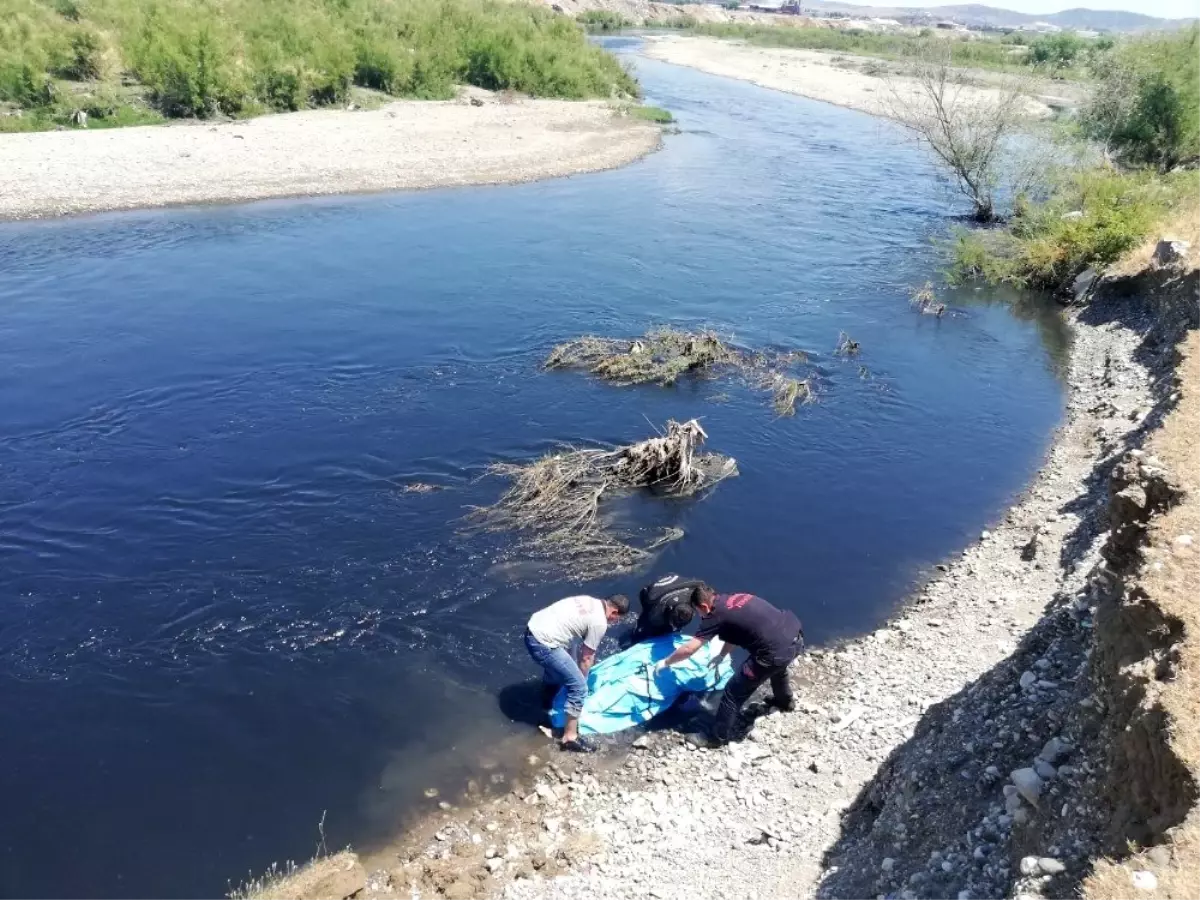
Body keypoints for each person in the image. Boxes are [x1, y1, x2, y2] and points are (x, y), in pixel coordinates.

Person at [653, 584, 802, 745]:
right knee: (779, 669)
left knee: (733, 693)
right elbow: (735, 632)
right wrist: (722, 655)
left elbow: (690, 648)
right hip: (794, 637)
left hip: (773, 653)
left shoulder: (714, 615)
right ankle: (785, 701)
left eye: (698, 612)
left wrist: (666, 662)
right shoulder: (735, 598)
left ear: (704, 606)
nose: (700, 616)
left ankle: (716, 737)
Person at [524, 593, 629, 752]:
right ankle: (569, 737)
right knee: (579, 687)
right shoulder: (599, 623)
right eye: (617, 619)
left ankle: (546, 703)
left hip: (533, 630)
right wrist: (581, 682)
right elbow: (587, 658)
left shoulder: (589, 600)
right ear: (614, 612)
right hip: (544, 644)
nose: (614, 622)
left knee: (560, 672)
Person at [625, 573, 703, 646]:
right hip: (651, 595)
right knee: (645, 631)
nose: (675, 627)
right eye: (674, 623)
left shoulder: (695, 593)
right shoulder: (656, 615)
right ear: (670, 610)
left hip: (672, 583)